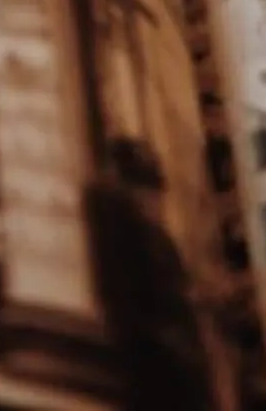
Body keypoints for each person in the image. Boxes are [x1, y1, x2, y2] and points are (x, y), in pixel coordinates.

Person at [82, 136, 218, 411]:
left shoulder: (138, 232)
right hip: (164, 364)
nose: (156, 204)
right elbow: (167, 300)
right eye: (152, 192)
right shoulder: (140, 234)